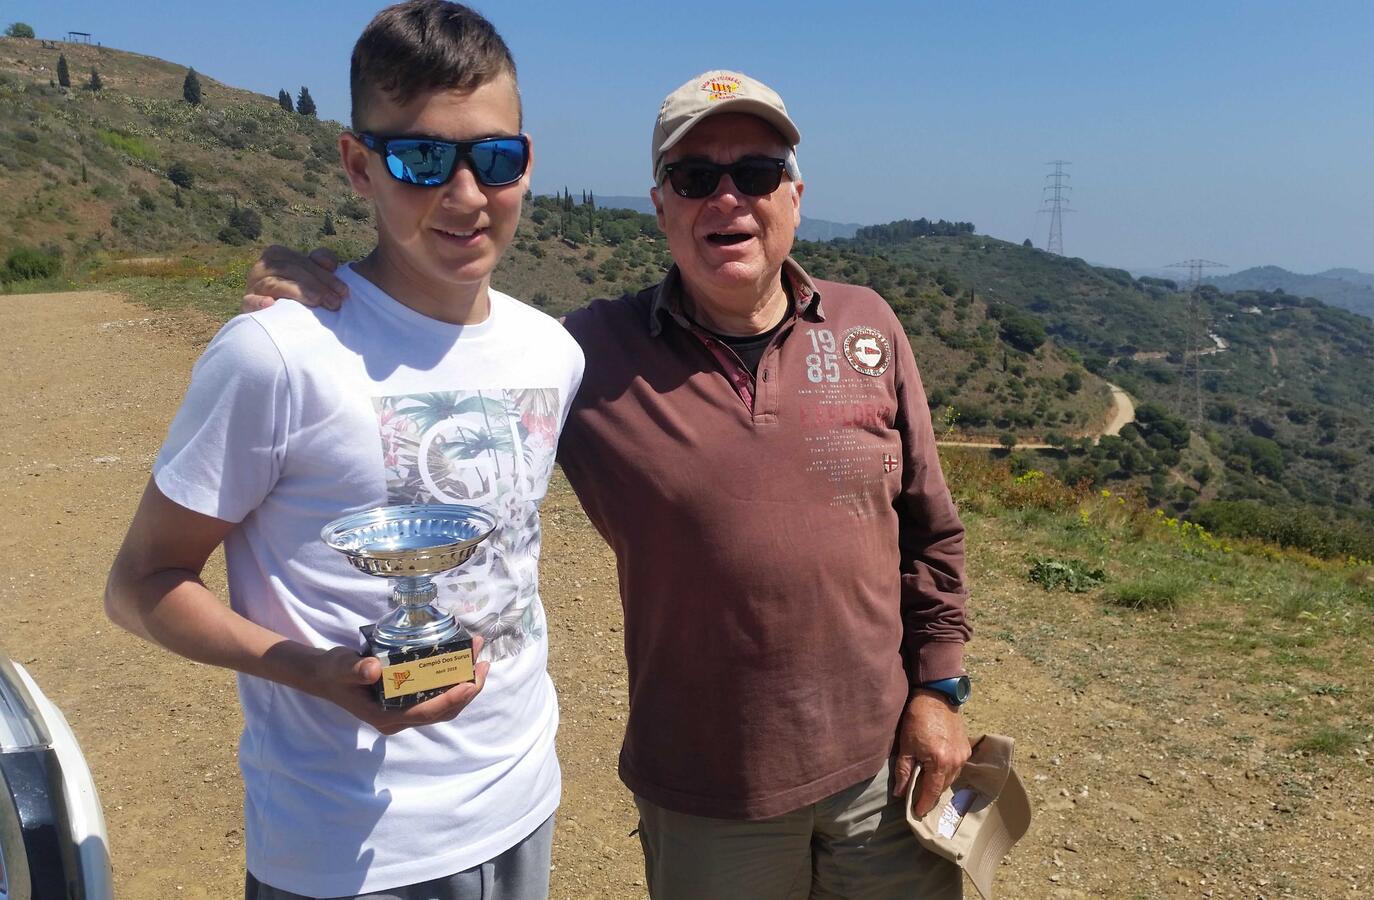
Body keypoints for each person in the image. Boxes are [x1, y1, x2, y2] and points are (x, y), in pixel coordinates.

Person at [246, 69, 973, 899]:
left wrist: (939, 689)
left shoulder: (867, 325)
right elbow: (454, 346)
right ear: (661, 208)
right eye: (694, 178)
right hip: (708, 792)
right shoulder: (585, 354)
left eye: (757, 172)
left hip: (885, 767)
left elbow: (931, 531)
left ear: (795, 197)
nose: (728, 198)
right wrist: (330, 296)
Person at [105, 3, 583, 898]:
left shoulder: (553, 352)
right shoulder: (277, 354)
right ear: (359, 165)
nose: (466, 195)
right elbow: (139, 585)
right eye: (421, 160)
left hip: (523, 800)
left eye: (495, 158)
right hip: (346, 850)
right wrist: (311, 673)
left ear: (526, 161)